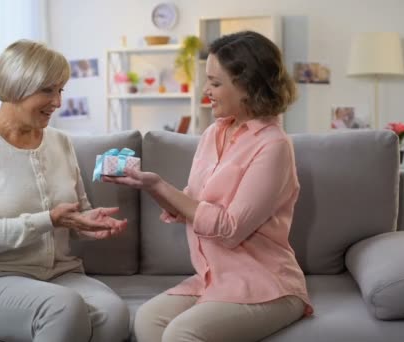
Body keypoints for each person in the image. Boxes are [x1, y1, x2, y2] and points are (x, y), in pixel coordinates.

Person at [103, 31, 313, 342]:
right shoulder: (213, 134)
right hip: (215, 278)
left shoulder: (273, 146)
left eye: (215, 83)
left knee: (181, 334)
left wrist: (160, 183)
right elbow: (191, 204)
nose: (206, 91)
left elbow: (229, 229)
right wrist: (149, 185)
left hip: (268, 284)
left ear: (247, 86)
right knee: (147, 320)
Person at [0, 39, 130, 342]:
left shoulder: (60, 142)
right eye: (48, 90)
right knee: (62, 307)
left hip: (59, 274)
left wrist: (88, 225)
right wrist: (49, 220)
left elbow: (75, 212)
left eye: (60, 91)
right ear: (17, 85)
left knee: (114, 315)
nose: (58, 102)